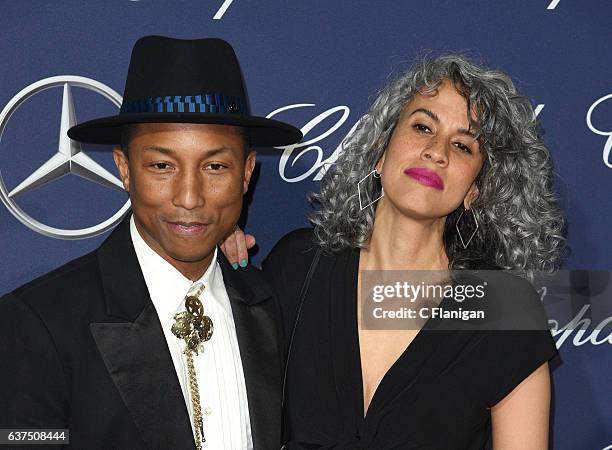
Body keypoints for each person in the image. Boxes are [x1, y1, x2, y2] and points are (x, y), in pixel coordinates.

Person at [222, 54, 565, 449]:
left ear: (475, 190)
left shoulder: (506, 310)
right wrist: (213, 258)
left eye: (463, 146)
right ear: (380, 153)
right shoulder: (298, 265)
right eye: (422, 127)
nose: (437, 152)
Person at [0, 36, 302, 449]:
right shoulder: (39, 323)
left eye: (215, 166)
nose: (190, 197)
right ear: (125, 169)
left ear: (247, 173)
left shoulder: (268, 305)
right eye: (162, 166)